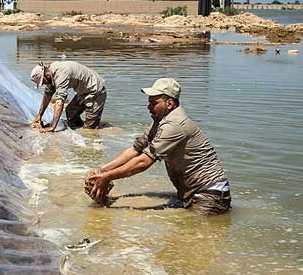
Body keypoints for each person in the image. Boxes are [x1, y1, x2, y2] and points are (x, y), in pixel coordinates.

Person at [89, 78, 231, 215]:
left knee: (190, 235)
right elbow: (135, 150)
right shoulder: (161, 121)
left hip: (210, 195)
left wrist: (107, 177)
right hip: (195, 192)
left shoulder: (174, 125)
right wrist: (102, 171)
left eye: (153, 103)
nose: (148, 107)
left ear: (169, 104)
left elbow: (144, 162)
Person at [30, 60, 106, 132]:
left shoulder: (61, 74)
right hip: (83, 91)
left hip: (96, 91)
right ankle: (81, 127)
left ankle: (91, 128)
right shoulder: (51, 72)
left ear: (46, 76)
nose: (44, 84)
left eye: (43, 82)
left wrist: (53, 127)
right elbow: (47, 95)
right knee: (70, 112)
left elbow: (60, 101)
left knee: (89, 130)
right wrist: (39, 116)